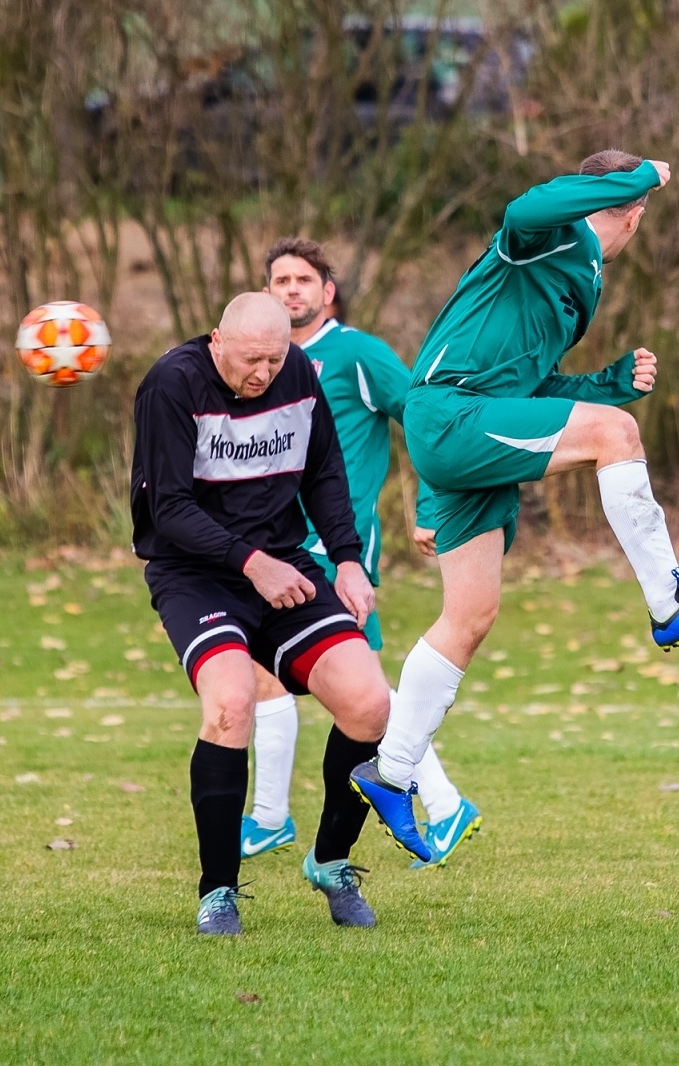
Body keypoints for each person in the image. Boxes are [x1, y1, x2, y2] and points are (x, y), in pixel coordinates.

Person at [350, 151, 679, 861]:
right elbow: (523, 209)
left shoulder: (585, 280)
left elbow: (527, 385)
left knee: (469, 617)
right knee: (616, 436)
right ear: (631, 211)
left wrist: (605, 384)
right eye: (632, 200)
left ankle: (390, 772)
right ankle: (671, 604)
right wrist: (645, 173)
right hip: (451, 416)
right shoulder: (550, 234)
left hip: (467, 423)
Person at [130, 292, 391, 935]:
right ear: (217, 340)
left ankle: (330, 862)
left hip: (282, 565)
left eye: (274, 359)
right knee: (230, 703)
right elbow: (169, 509)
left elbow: (324, 471)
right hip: (196, 574)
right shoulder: (171, 385)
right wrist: (251, 563)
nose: (263, 373)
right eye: (251, 360)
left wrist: (348, 559)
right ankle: (218, 891)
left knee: (369, 703)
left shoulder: (296, 372)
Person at [238, 237, 483, 870]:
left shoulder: (357, 353)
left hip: (333, 547)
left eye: (304, 280)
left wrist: (431, 503)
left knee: (361, 688)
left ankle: (444, 803)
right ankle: (269, 817)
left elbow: (425, 418)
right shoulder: (265, 362)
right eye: (281, 281)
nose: (292, 290)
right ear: (265, 294)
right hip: (275, 545)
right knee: (264, 671)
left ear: (328, 292)